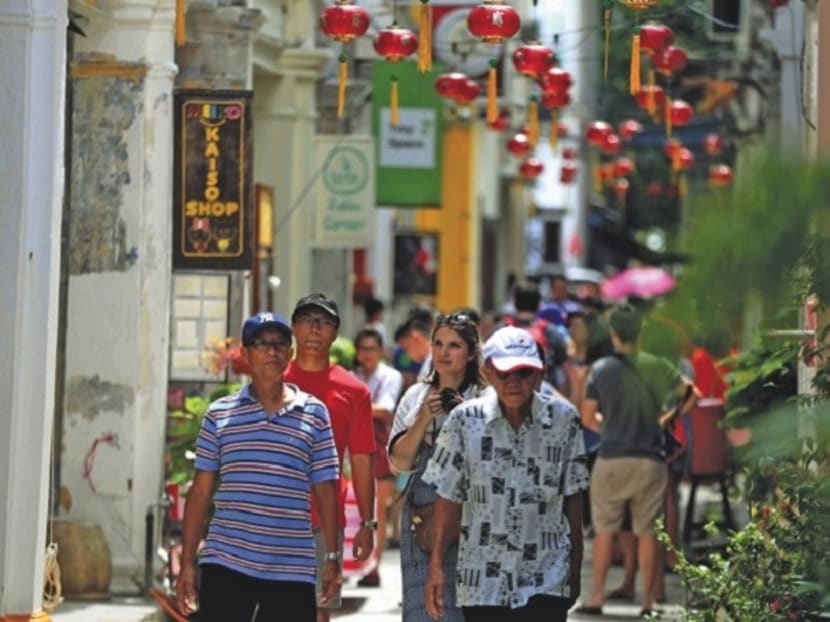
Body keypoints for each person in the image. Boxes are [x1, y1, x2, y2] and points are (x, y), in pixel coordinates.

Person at [175, 312, 341, 622]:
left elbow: (326, 489)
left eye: (280, 344)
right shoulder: (219, 414)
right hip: (227, 559)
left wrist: (331, 557)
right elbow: (199, 492)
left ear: (290, 354)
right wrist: (187, 562)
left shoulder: (314, 412)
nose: (272, 351)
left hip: (292, 565)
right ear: (246, 354)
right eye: (261, 344)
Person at [422, 325, 589, 622]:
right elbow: (447, 497)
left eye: (524, 373)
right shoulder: (464, 421)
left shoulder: (564, 420)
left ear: (539, 374)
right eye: (504, 372)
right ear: (487, 371)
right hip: (482, 580)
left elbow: (573, 499)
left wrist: (575, 568)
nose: (514, 382)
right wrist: (436, 565)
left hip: (546, 574)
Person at [577, 305, 698, 618]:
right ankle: (648, 602)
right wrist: (668, 418)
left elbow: (588, 416)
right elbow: (691, 393)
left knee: (605, 529)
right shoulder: (657, 365)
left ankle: (597, 596)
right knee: (647, 531)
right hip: (650, 460)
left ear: (613, 333)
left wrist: (610, 425)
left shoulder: (601, 368)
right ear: (640, 331)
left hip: (612, 459)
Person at [388, 312, 490, 622]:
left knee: (464, 608)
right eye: (438, 344)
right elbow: (398, 463)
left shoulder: (486, 399)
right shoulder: (416, 395)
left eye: (455, 346)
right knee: (423, 610)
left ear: (471, 353)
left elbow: (490, 464)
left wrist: (464, 417)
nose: (444, 353)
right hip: (424, 519)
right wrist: (422, 419)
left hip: (475, 521)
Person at [284, 293, 376, 622]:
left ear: (335, 333)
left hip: (323, 517)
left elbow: (362, 458)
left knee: (318, 609)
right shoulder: (270, 381)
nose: (314, 328)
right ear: (293, 328)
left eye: (324, 322)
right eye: (307, 319)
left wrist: (367, 523)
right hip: (270, 514)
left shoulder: (353, 390)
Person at [352, 327, 404, 588]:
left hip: (380, 447)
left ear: (381, 350)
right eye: (362, 349)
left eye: (371, 349)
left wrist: (353, 406)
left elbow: (385, 410)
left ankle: (374, 567)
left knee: (377, 511)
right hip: (353, 448)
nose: (366, 354)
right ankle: (354, 563)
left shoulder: (390, 375)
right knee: (352, 509)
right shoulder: (354, 375)